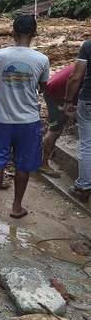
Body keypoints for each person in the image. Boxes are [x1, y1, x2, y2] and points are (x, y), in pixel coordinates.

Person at [0, 15, 49, 219]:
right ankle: (16, 207)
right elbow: (44, 89)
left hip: (1, 119)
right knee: (23, 165)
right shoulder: (42, 59)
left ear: (13, 32)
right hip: (28, 121)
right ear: (34, 33)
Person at [64, 39, 91, 201]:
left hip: (89, 100)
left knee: (87, 145)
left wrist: (68, 100)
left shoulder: (88, 45)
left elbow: (76, 77)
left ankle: (83, 187)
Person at [39, 63, 75, 178]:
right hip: (55, 93)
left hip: (59, 89)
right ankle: (43, 163)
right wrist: (67, 104)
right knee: (55, 130)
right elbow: (75, 80)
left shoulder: (84, 61)